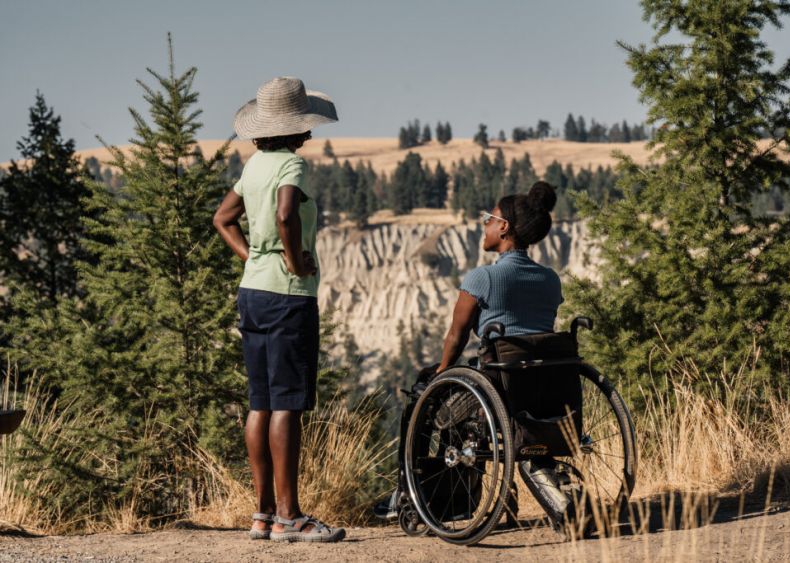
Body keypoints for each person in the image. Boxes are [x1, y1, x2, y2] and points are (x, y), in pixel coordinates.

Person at [375, 181, 570, 521]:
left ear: (504, 228)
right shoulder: (550, 278)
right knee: (457, 391)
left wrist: (441, 372)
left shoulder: (483, 278)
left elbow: (456, 334)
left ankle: (411, 493)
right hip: (547, 389)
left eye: (488, 218)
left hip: (499, 387)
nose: (484, 224)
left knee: (426, 391)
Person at [213, 76, 345, 543]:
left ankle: (262, 515)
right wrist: (292, 260)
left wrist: (253, 257)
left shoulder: (253, 167)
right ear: (297, 126)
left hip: (253, 292)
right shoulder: (292, 166)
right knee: (288, 402)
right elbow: (287, 214)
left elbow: (223, 219)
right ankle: (291, 517)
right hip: (289, 294)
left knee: (261, 401)